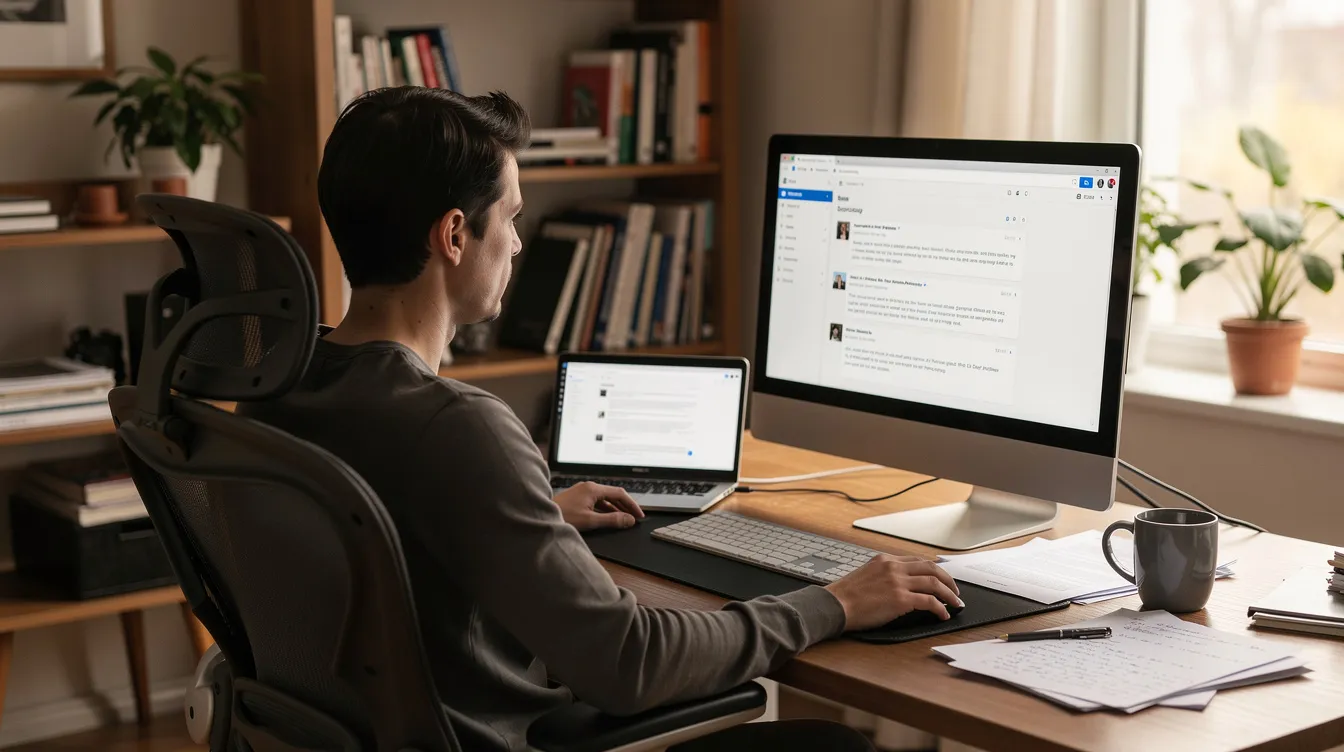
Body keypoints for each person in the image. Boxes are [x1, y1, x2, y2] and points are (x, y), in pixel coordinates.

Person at [242, 88, 959, 752]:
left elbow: (385, 519)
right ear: (454, 235)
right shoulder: (458, 427)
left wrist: (524, 513)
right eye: (513, 218)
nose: (518, 244)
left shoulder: (279, 388)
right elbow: (628, 663)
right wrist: (832, 602)